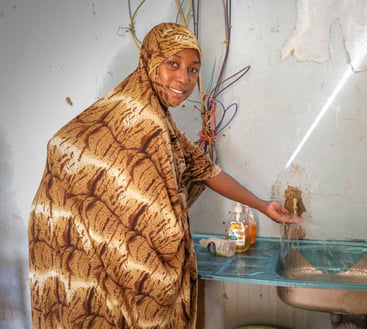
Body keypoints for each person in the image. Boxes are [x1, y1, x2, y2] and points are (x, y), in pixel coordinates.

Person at [28, 22, 300, 329]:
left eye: (193, 69)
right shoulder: (138, 118)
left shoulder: (159, 119)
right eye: (173, 64)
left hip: (113, 261)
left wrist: (264, 206)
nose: (183, 79)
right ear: (150, 61)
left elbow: (206, 170)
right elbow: (63, 147)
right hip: (100, 262)